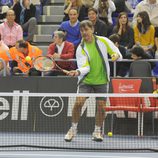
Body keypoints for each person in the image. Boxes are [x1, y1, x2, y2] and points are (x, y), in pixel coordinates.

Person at [64, 20, 122, 142]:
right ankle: (73, 129)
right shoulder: (81, 48)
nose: (84, 32)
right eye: (82, 30)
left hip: (101, 80)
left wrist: (116, 56)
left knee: (101, 108)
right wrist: (78, 72)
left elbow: (116, 53)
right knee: (78, 103)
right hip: (87, 80)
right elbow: (86, 67)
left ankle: (97, 131)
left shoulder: (103, 41)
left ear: (92, 29)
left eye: (86, 29)